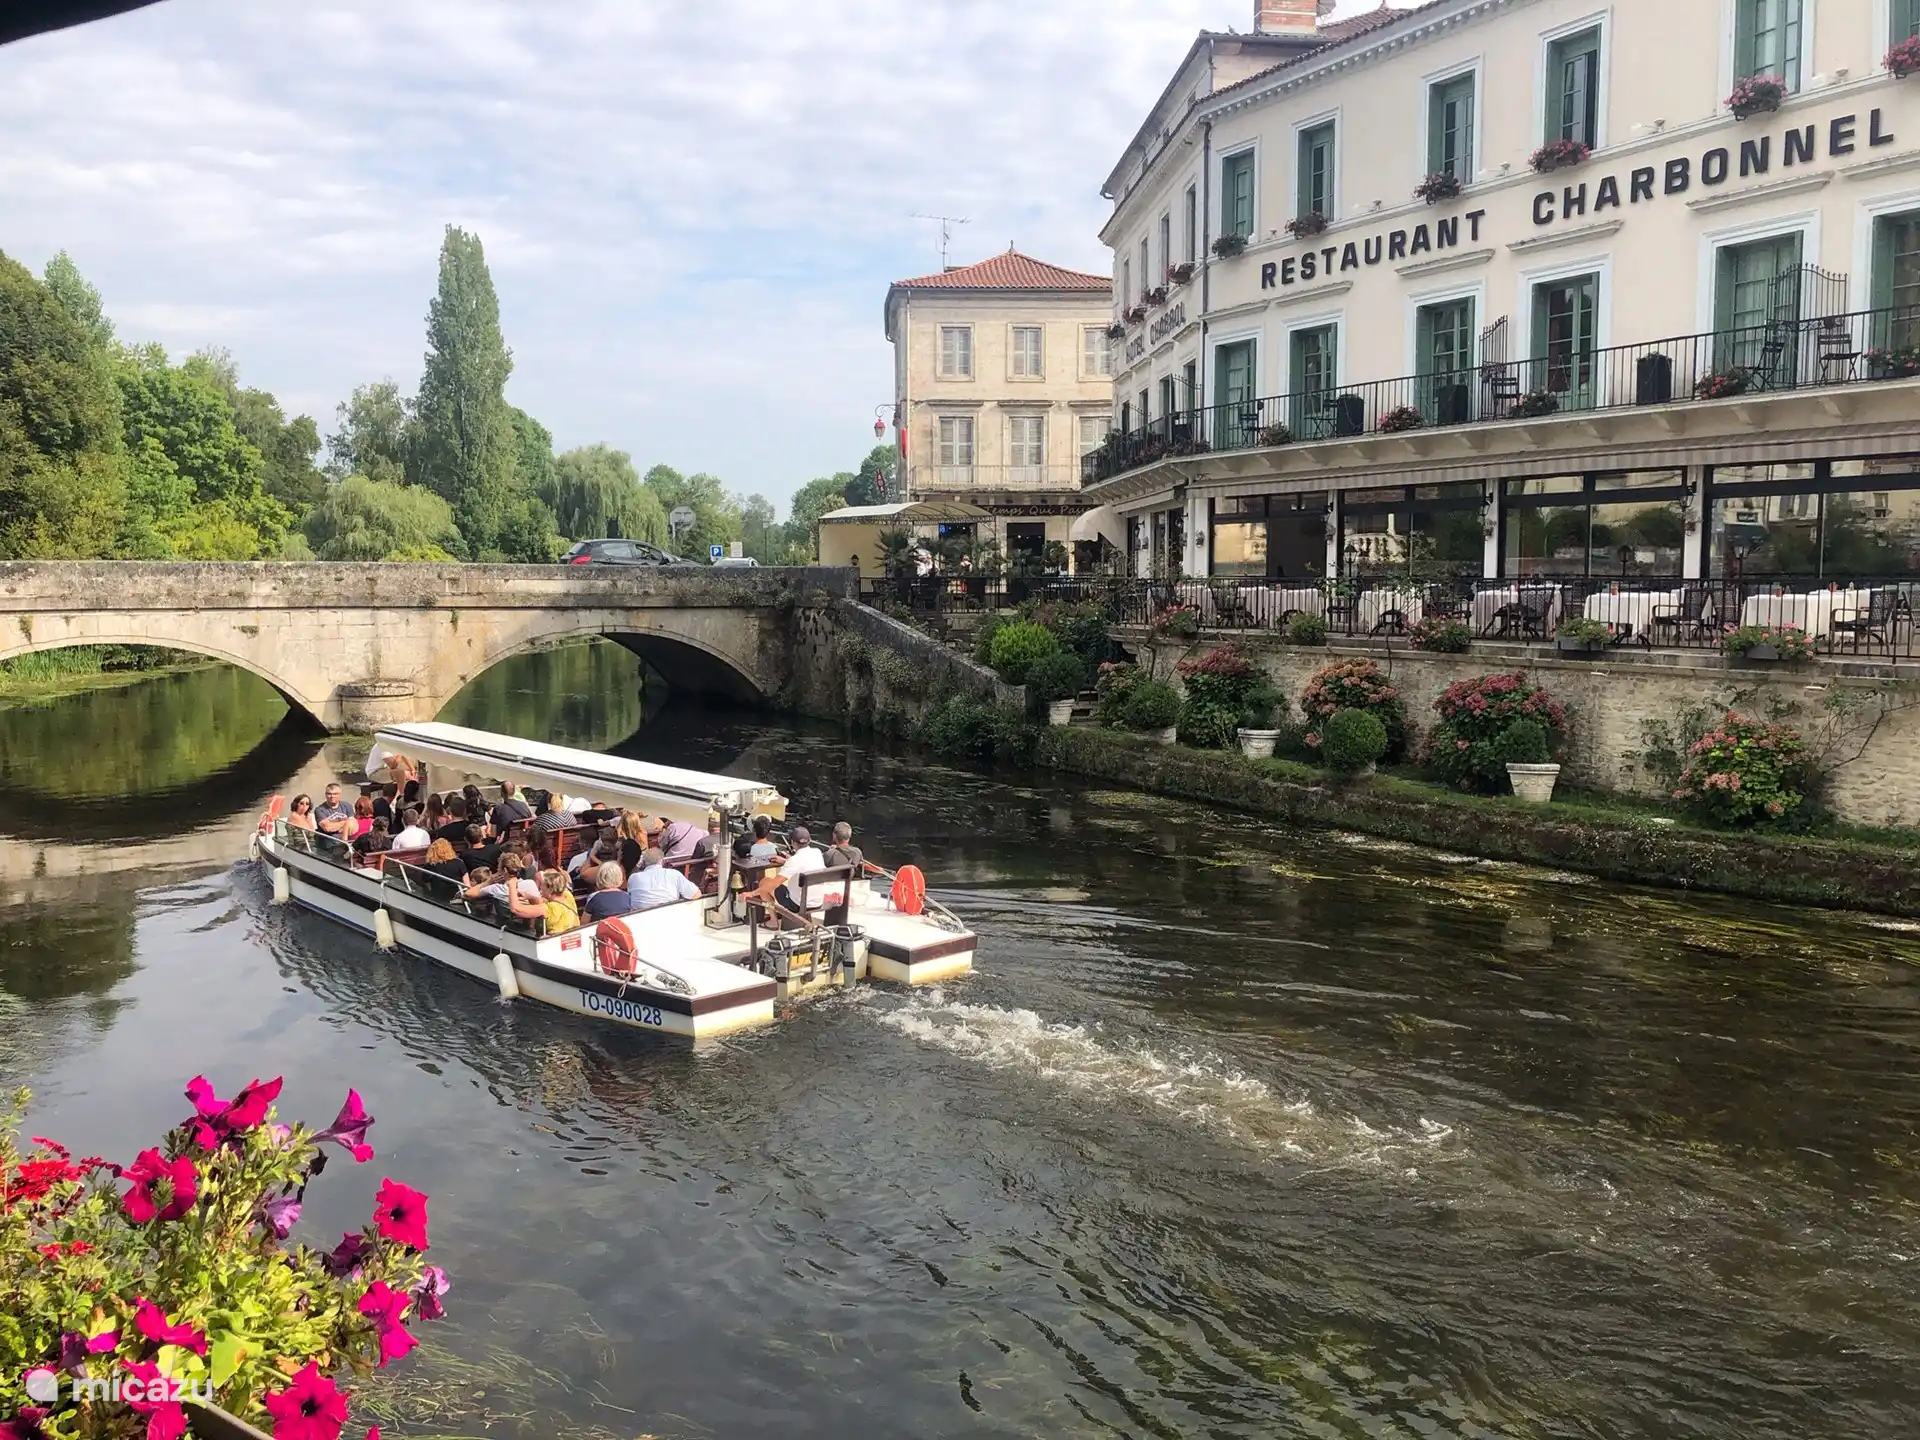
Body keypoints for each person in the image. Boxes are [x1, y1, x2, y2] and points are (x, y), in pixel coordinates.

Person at [749, 824, 825, 920]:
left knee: (765, 882)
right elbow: (804, 864)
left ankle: (773, 921)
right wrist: (786, 861)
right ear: (809, 841)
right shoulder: (817, 852)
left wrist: (751, 894)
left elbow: (773, 884)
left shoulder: (795, 860)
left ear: (792, 843)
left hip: (796, 904)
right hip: (817, 901)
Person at [627, 847, 700, 911]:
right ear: (662, 860)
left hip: (639, 919)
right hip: (668, 916)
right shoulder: (673, 874)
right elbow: (696, 894)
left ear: (644, 862)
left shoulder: (633, 877)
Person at [511, 869, 579, 934]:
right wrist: (529, 897)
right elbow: (542, 901)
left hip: (552, 942)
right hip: (572, 938)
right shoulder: (568, 895)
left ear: (550, 890)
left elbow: (516, 909)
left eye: (542, 886)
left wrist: (512, 884)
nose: (541, 888)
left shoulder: (549, 909)